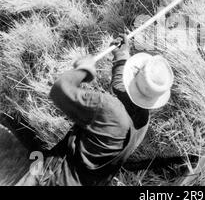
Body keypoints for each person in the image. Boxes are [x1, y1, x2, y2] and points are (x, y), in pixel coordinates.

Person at [16, 34, 174, 186]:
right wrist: (121, 56)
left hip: (52, 179)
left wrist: (84, 69)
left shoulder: (107, 108)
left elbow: (59, 90)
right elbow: (122, 88)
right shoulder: (142, 121)